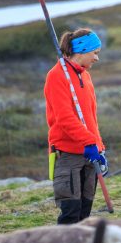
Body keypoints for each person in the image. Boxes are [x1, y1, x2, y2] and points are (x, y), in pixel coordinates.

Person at [44, 27, 107, 225]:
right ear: (81, 50)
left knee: (84, 214)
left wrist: (99, 146)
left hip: (90, 153)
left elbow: (90, 118)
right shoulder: (57, 76)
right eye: (94, 53)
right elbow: (64, 118)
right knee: (70, 214)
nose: (97, 59)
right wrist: (88, 141)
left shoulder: (85, 76)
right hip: (68, 154)